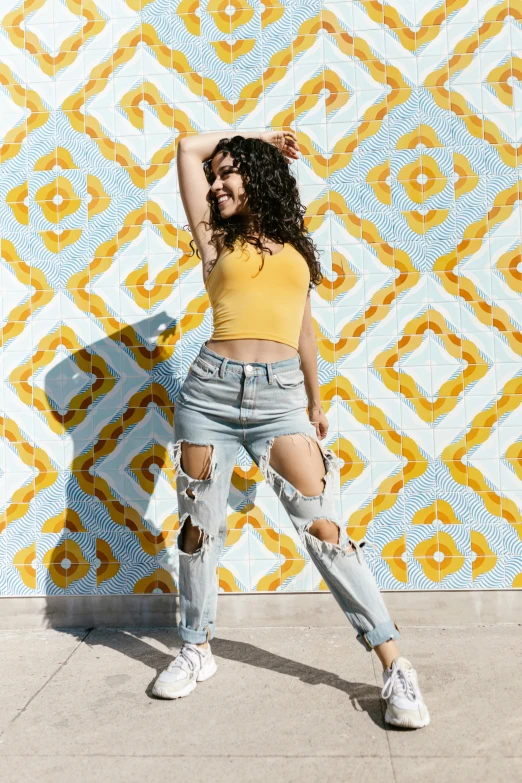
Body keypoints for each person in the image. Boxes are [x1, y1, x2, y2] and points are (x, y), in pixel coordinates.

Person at [151, 130, 430, 729]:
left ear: (259, 179)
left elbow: (303, 330)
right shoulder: (214, 237)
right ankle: (196, 648)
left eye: (231, 173)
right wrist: (256, 137)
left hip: (279, 399)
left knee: (327, 530)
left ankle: (394, 665)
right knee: (199, 528)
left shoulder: (296, 249)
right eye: (216, 175)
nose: (217, 183)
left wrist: (314, 398)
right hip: (210, 393)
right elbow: (184, 148)